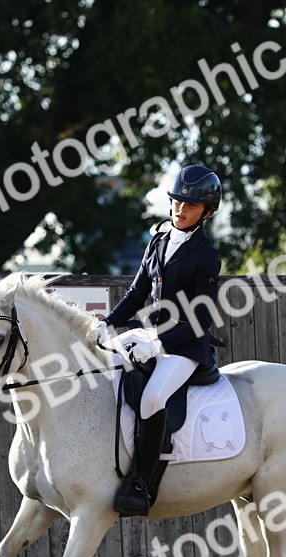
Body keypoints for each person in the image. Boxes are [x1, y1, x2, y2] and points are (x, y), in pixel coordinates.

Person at [88, 164, 223, 517]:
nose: (180, 209)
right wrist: (110, 322)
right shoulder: (158, 241)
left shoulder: (206, 254)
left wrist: (160, 344)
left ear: (206, 212)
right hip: (150, 334)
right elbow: (136, 293)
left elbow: (202, 316)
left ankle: (142, 484)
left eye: (190, 206)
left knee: (152, 397)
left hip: (186, 346)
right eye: (177, 201)